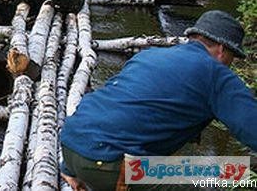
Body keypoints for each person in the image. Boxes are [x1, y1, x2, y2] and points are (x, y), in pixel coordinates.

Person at [60, 10, 256, 191]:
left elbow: (110, 103)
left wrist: (70, 166)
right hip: (113, 165)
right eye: (232, 57)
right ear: (222, 50)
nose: (230, 64)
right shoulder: (216, 74)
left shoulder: (148, 56)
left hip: (71, 147)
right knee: (230, 173)